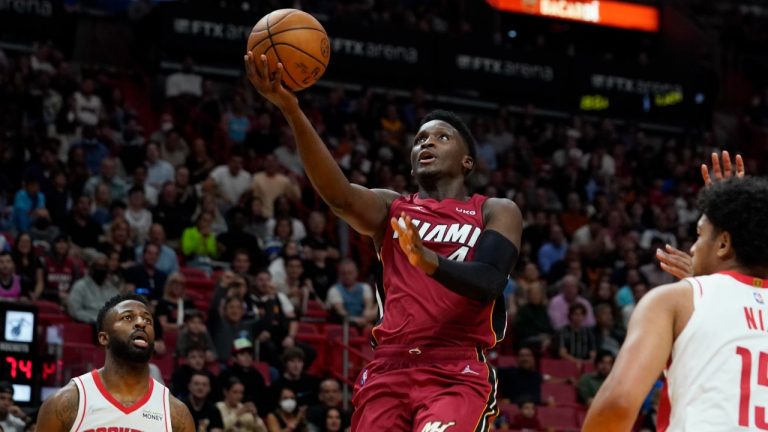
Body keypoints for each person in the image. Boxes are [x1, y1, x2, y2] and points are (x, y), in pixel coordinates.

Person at [245, 52, 522, 431]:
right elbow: (339, 196)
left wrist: (428, 261)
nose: (427, 143)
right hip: (387, 367)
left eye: (442, 137)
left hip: (454, 368)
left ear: (467, 162)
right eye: (420, 139)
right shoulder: (392, 207)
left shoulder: (494, 210)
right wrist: (292, 110)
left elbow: (490, 280)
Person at [583, 175, 768, 431]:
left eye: (699, 234)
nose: (692, 249)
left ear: (723, 243)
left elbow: (617, 404)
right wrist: (749, 213)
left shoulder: (672, 300)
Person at [36, 293, 195, 430]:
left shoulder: (175, 413)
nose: (141, 323)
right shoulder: (66, 402)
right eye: (128, 317)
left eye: (148, 320)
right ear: (104, 338)